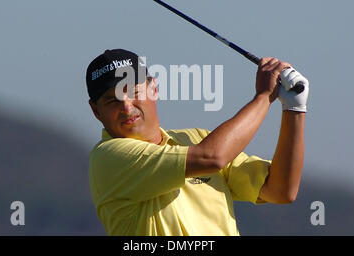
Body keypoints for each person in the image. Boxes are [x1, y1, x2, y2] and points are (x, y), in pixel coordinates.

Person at [86, 48, 309, 236]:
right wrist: (263, 97)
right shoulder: (108, 157)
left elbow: (281, 190)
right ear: (96, 111)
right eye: (112, 100)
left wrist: (294, 109)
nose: (126, 107)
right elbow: (213, 157)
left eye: (133, 91)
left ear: (153, 88)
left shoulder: (195, 139)